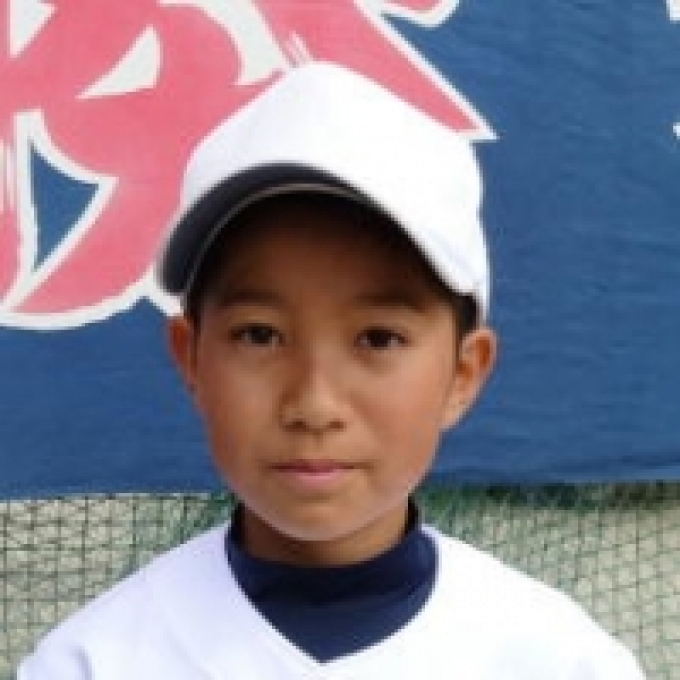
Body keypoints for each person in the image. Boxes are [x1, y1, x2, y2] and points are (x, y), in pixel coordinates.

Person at [17, 61, 645, 679]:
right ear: (191, 357)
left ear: (463, 373)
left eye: (378, 338)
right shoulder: (91, 662)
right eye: (260, 335)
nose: (314, 404)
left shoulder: (560, 660)